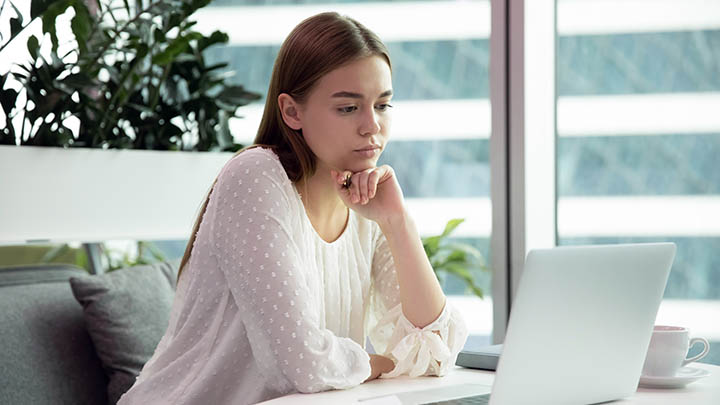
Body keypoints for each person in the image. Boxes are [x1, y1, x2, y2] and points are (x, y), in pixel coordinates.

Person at [118, 11, 468, 405]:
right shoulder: (255, 177)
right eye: (348, 108)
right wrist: (378, 364)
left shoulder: (368, 202)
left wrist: (397, 223)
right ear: (291, 112)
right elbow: (301, 364)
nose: (372, 126)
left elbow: (432, 350)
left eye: (383, 105)